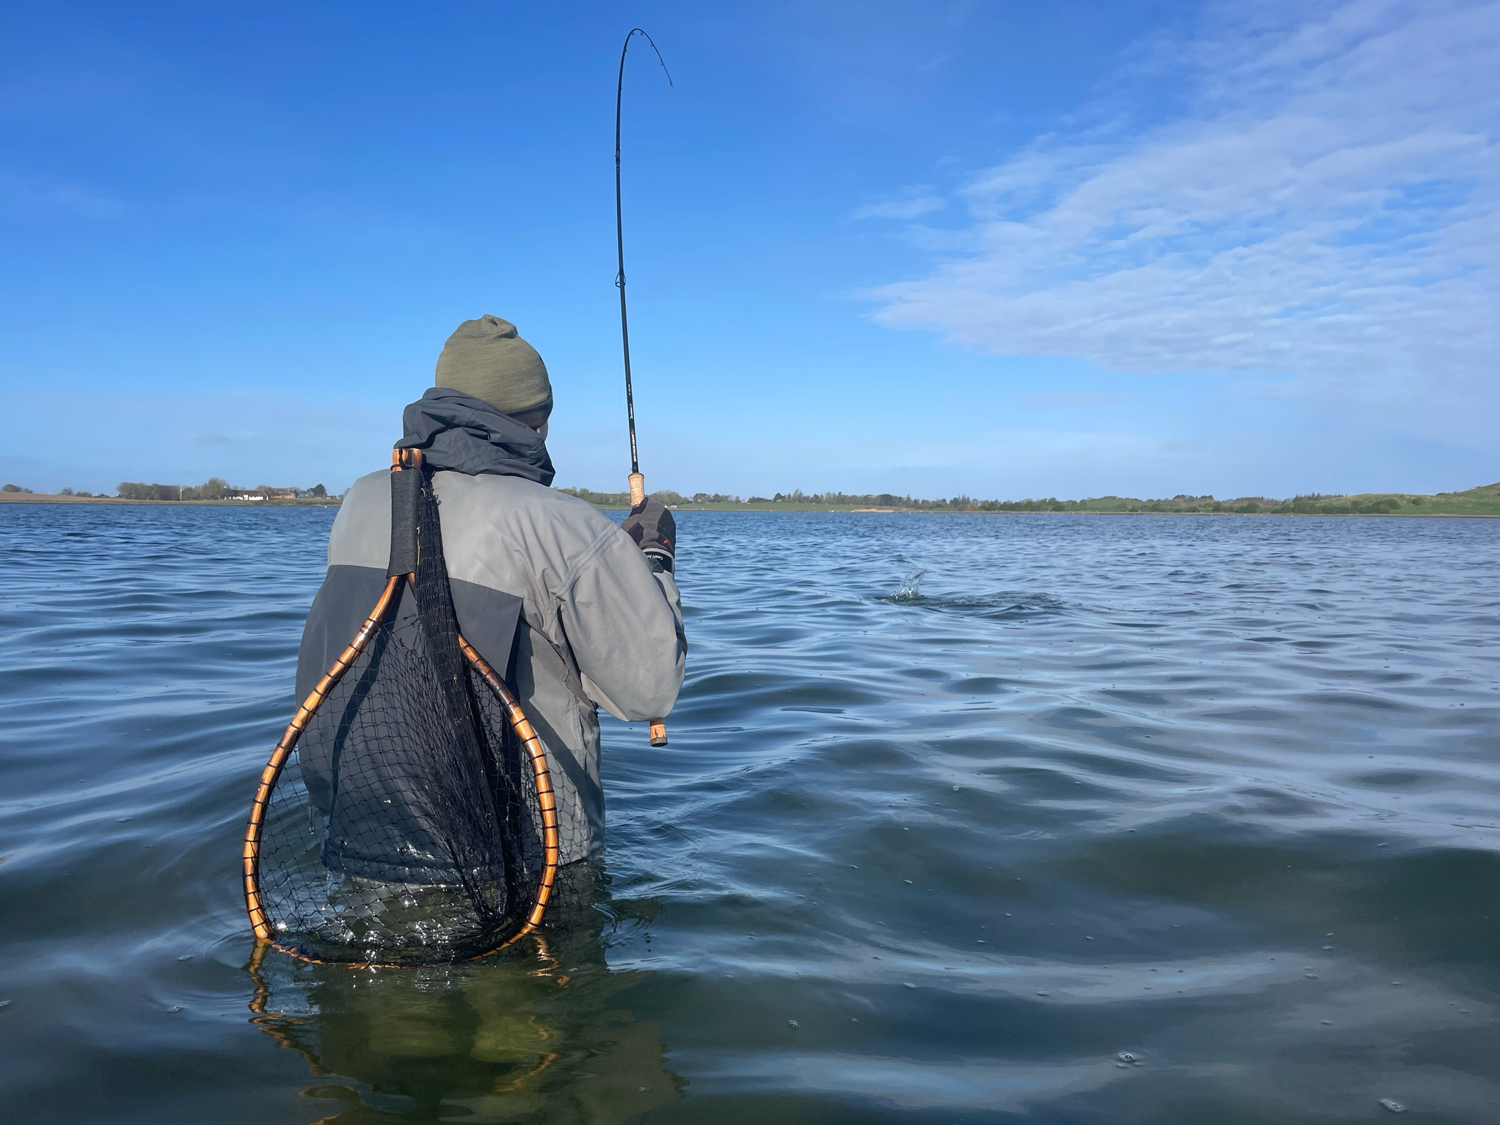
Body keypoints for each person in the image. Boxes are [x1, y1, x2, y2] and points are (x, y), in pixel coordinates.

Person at [294, 314, 686, 867]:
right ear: (539, 420)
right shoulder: (565, 525)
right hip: (528, 859)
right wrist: (653, 562)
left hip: (369, 836)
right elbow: (648, 689)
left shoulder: (359, 500)